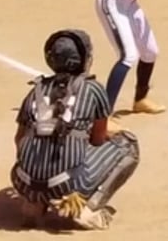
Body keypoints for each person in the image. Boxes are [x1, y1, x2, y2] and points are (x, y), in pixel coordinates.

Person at [10, 29, 141, 230]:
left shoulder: (35, 89)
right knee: (128, 144)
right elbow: (97, 140)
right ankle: (87, 209)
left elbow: (19, 139)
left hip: (23, 181)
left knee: (46, 146)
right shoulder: (93, 89)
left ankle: (33, 203)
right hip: (67, 184)